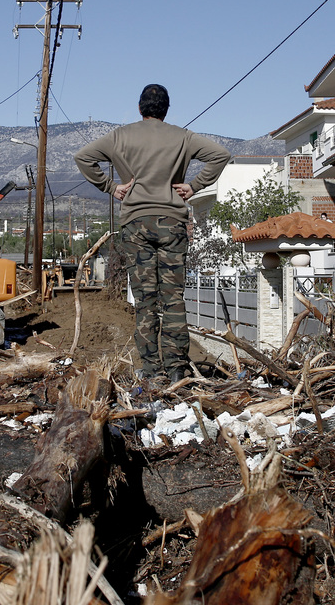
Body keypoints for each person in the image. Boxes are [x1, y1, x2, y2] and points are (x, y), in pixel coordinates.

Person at [75, 84, 230, 382]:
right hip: (172, 223)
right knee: (173, 299)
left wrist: (111, 187)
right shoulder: (183, 137)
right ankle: (176, 371)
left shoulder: (119, 136)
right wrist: (194, 186)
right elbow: (220, 155)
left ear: (139, 108)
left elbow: (83, 157)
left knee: (145, 301)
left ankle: (151, 371)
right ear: (167, 110)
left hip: (135, 224)